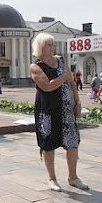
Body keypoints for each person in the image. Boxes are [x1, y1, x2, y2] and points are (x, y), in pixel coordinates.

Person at [30, 33, 89, 192]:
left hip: (66, 110)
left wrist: (77, 101)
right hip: (47, 111)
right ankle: (52, 178)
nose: (53, 47)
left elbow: (72, 83)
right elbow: (48, 86)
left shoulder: (61, 60)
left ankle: (73, 177)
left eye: (53, 44)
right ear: (41, 47)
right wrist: (64, 76)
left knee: (72, 142)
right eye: (49, 44)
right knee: (48, 144)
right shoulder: (36, 66)